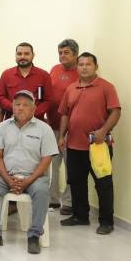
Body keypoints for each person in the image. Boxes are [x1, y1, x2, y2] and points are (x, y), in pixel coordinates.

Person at [0, 90, 57, 254]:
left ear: (34, 109)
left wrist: (29, 180)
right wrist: (8, 179)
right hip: (7, 176)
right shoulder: (2, 127)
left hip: (35, 177)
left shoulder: (44, 129)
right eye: (17, 104)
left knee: (42, 191)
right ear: (12, 107)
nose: (20, 108)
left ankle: (34, 236)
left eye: (25, 105)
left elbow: (46, 159)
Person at [58, 52, 121, 235]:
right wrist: (61, 136)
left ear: (96, 67)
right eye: (81, 64)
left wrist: (103, 131)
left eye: (88, 64)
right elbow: (65, 114)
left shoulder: (106, 87)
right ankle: (80, 216)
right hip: (74, 145)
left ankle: (106, 222)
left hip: (98, 146)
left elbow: (115, 111)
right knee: (76, 182)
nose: (84, 67)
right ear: (77, 67)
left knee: (103, 184)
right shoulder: (71, 88)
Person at [48, 39, 79, 214]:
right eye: (60, 52)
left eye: (66, 52)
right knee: (52, 165)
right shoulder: (54, 69)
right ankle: (52, 200)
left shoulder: (81, 71)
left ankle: (68, 202)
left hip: (71, 129)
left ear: (75, 54)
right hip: (52, 125)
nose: (62, 56)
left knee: (70, 167)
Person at [0, 42, 53, 122]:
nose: (22, 57)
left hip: (36, 122)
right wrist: (15, 108)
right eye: (19, 54)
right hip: (11, 122)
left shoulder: (44, 75)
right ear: (15, 56)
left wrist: (32, 113)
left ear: (33, 55)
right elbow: (1, 98)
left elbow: (48, 101)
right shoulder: (6, 74)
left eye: (26, 54)